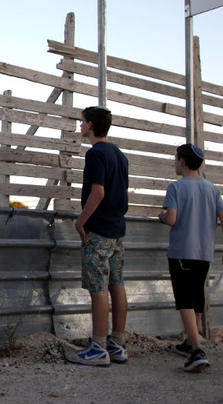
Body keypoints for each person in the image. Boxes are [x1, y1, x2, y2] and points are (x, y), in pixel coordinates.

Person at [158, 143, 223, 373]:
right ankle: (191, 341)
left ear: (181, 161)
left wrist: (161, 216)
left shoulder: (176, 188)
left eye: (175, 158)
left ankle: (197, 351)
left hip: (182, 252)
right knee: (197, 297)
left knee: (184, 300)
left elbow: (171, 219)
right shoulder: (212, 189)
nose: (174, 162)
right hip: (204, 253)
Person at [64, 106, 129, 368]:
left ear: (90, 124)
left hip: (99, 230)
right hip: (117, 229)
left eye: (82, 123)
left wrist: (81, 221)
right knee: (117, 283)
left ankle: (98, 347)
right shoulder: (120, 155)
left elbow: (98, 192)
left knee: (98, 287)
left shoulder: (95, 154)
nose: (80, 127)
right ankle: (118, 343)